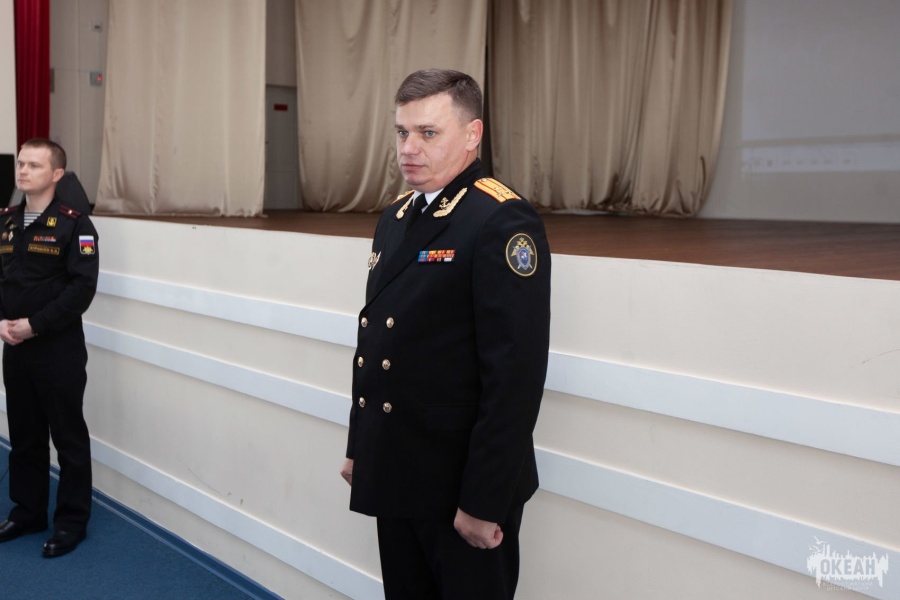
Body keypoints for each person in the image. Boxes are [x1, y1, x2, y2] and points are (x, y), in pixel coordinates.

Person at [340, 69, 551, 599]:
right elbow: (377, 343)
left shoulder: (500, 220)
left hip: (461, 487)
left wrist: (483, 501)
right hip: (398, 468)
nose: (408, 148)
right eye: (402, 132)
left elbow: (514, 378)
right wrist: (361, 447)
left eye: (428, 133)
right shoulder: (396, 216)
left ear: (473, 134)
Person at [0, 138, 99, 557]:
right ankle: (28, 511)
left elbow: (82, 289)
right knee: (25, 435)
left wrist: (35, 326)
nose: (23, 171)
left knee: (68, 438)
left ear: (57, 174)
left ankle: (71, 522)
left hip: (57, 349)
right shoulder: (6, 221)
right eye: (21, 164)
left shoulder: (76, 225)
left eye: (34, 165)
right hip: (15, 348)